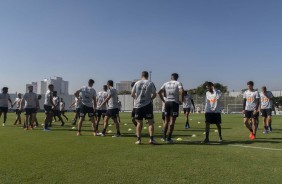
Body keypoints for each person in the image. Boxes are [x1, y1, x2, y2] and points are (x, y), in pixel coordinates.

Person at [131, 71, 157, 144]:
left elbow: (132, 94)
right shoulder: (150, 83)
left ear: (141, 75)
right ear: (147, 76)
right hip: (147, 105)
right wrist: (150, 99)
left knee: (139, 123)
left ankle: (139, 140)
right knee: (150, 122)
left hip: (138, 105)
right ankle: (151, 139)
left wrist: (137, 99)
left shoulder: (137, 83)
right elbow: (155, 94)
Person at [158, 73, 184, 143]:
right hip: (174, 103)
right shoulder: (178, 83)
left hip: (167, 102)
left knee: (166, 121)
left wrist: (163, 100)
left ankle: (163, 137)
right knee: (172, 121)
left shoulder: (166, 83)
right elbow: (181, 91)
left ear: (171, 77)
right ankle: (169, 138)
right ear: (177, 77)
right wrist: (181, 100)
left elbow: (159, 92)